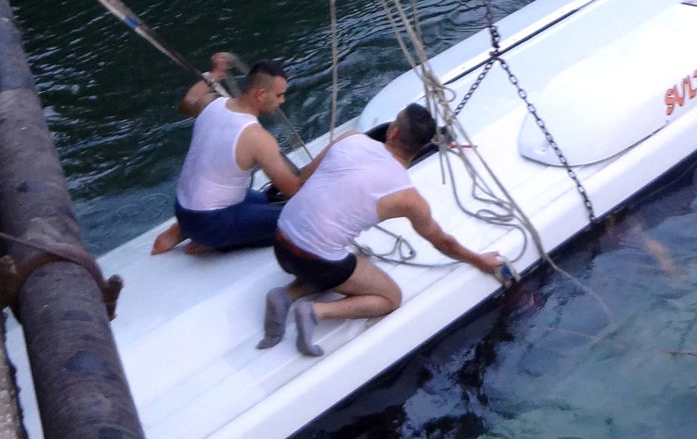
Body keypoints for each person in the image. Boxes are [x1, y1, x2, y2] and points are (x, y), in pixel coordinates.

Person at [261, 104, 504, 357]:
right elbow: (444, 243)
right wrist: (479, 261)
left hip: (280, 239)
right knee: (390, 297)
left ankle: (285, 295)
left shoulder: (350, 138)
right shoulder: (409, 199)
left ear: (393, 132)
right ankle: (317, 312)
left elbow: (301, 181)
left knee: (347, 263)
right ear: (420, 148)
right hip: (316, 261)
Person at [150, 55, 305, 256]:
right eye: (279, 95)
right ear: (260, 94)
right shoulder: (257, 137)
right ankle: (216, 242)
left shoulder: (211, 103)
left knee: (263, 201)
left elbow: (186, 103)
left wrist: (215, 74)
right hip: (210, 223)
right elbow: (293, 189)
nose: (282, 101)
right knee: (298, 221)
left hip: (183, 208)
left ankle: (181, 230)